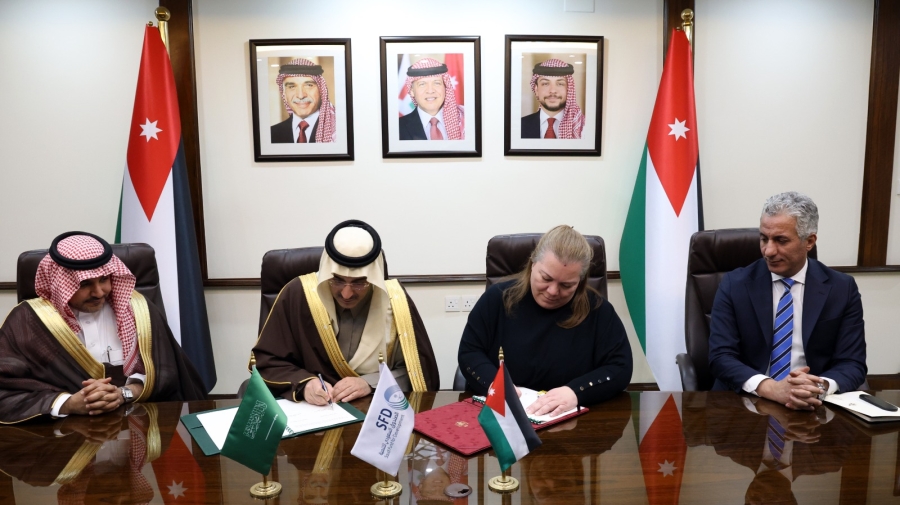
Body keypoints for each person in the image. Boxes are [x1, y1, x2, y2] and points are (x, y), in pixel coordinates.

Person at [0, 232, 206, 424]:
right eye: (85, 284)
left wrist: (124, 393)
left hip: (137, 424)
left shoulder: (139, 310)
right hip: (64, 432)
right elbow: (6, 388)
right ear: (60, 284)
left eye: (104, 279)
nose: (99, 292)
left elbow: (167, 372)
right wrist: (68, 403)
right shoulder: (28, 320)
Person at [708, 191, 867, 410]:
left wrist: (817, 387)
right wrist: (771, 388)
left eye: (781, 240)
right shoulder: (734, 284)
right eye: (764, 238)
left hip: (813, 404)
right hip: (744, 402)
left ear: (809, 241)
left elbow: (852, 362)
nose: (768, 251)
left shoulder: (841, 288)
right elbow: (720, 357)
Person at [253, 220, 440, 404]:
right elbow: (267, 361)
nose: (346, 294)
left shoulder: (395, 302)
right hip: (314, 406)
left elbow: (416, 372)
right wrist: (304, 383)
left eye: (359, 283)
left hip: (374, 407)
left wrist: (370, 383)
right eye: (337, 280)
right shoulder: (298, 294)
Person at [457, 225, 632, 417]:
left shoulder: (598, 310)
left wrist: (576, 391)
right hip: (503, 416)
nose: (553, 291)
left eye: (567, 285)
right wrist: (495, 384)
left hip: (571, 420)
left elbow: (620, 367)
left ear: (580, 281)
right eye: (546, 278)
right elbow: (469, 352)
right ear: (532, 264)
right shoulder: (497, 298)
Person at [270, 58, 337, 143]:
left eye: (309, 85)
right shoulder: (272, 133)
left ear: (321, 91)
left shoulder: (337, 131)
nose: (301, 95)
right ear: (284, 94)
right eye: (291, 87)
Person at [398, 57, 465, 141]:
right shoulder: (397, 128)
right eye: (422, 84)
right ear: (412, 91)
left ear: (445, 87)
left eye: (437, 83)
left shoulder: (466, 119)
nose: (430, 91)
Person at [521, 59, 585, 139]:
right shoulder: (519, 126)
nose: (553, 90)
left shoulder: (584, 127)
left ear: (569, 89)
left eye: (560, 84)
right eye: (545, 84)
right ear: (536, 90)